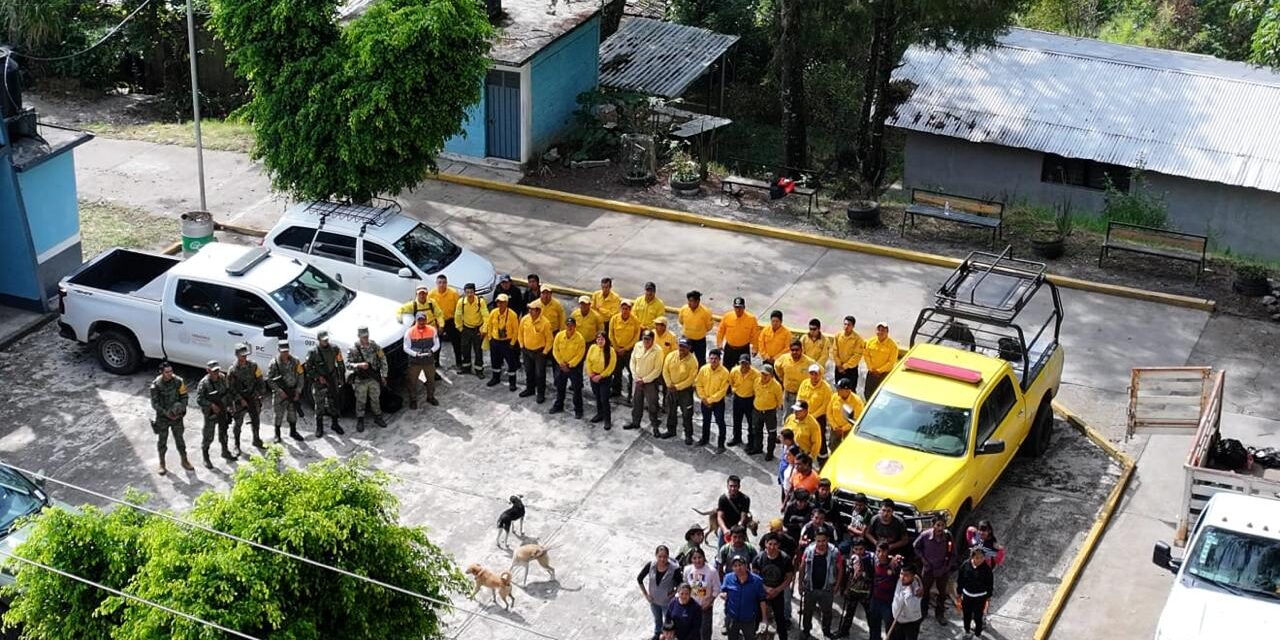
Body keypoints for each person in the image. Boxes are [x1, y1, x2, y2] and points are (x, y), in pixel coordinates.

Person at [150, 362, 193, 475]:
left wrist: (181, 409)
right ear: (161, 372)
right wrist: (166, 413)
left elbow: (184, 396)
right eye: (167, 372)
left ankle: (184, 460)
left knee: (180, 440)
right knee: (162, 441)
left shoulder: (178, 381)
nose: (170, 374)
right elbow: (155, 404)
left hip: (177, 417)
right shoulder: (156, 385)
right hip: (163, 418)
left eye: (171, 371)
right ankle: (162, 464)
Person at [800, 529, 843, 639]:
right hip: (810, 588)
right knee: (807, 611)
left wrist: (837, 585)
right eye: (818, 541)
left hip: (827, 589)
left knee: (827, 612)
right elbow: (802, 566)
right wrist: (800, 584)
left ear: (828, 540)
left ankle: (826, 631)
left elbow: (840, 569)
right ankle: (806, 631)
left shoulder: (835, 552)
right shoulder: (808, 550)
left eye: (823, 541)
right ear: (815, 540)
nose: (821, 544)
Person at [913, 516, 957, 624]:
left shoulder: (948, 537)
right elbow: (916, 546)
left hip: (942, 570)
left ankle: (940, 614)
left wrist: (947, 566)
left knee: (942, 593)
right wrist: (923, 560)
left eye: (942, 525)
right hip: (928, 570)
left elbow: (953, 554)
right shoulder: (925, 535)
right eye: (938, 525)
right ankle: (923, 612)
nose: (940, 528)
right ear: (933, 525)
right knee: (925, 592)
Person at [347, 326, 389, 432]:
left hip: (373, 377)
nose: (365, 339)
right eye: (363, 337)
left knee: (375, 398)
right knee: (361, 400)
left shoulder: (374, 346)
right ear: (358, 336)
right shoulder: (353, 349)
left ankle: (378, 417)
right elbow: (347, 365)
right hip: (360, 379)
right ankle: (360, 419)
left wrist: (384, 375)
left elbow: (383, 358)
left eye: (366, 336)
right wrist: (359, 365)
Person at [752, 535, 794, 640]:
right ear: (765, 544)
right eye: (770, 544)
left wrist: (777, 590)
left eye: (775, 544)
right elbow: (755, 577)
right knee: (757, 617)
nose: (772, 547)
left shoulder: (785, 559)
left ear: (779, 545)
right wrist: (766, 588)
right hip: (762, 593)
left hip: (778, 593)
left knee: (780, 619)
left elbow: (789, 578)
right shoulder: (759, 558)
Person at [195, 359, 235, 468]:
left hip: (223, 410)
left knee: (223, 432)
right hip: (211, 413)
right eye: (214, 371)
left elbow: (228, 392)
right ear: (208, 371)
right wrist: (211, 405)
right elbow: (199, 399)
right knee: (208, 435)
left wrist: (230, 406)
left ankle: (225, 451)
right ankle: (206, 456)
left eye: (217, 370)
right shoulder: (204, 383)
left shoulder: (222, 378)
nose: (216, 373)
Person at [303, 332, 344, 438]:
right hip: (319, 382)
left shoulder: (334, 348)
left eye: (326, 339)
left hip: (332, 378)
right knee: (319, 405)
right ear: (319, 340)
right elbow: (308, 368)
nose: (325, 341)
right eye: (323, 340)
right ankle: (319, 427)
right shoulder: (313, 352)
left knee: (333, 402)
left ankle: (335, 424)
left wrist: (340, 378)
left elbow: (340, 363)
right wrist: (318, 377)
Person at [228, 343, 268, 450]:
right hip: (240, 400)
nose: (244, 357)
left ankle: (256, 440)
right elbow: (230, 389)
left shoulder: (253, 365)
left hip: (253, 398)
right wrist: (240, 399)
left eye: (246, 355)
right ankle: (237, 445)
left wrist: (260, 394)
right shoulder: (232, 370)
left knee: (255, 420)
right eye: (242, 355)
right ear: (237, 355)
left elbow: (260, 380)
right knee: (238, 423)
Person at [638, 545, 681, 640]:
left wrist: (673, 593)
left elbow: (681, 584)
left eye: (665, 556)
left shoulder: (674, 569)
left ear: (668, 556)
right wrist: (646, 595)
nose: (662, 559)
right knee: (657, 620)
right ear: (656, 556)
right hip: (654, 601)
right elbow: (639, 578)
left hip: (667, 603)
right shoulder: (651, 565)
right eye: (660, 556)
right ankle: (657, 635)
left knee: (669, 622)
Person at [720, 555, 768, 640]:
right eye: (735, 566)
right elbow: (723, 590)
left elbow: (762, 600)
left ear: (746, 566)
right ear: (732, 568)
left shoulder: (757, 581)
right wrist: (723, 594)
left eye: (740, 565)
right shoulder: (728, 578)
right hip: (732, 618)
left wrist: (764, 619)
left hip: (749, 619)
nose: (738, 568)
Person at [836, 538, 875, 639]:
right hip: (853, 591)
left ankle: (874, 635)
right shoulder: (851, 558)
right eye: (856, 549)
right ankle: (844, 631)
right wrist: (846, 589)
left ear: (864, 548)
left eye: (861, 549)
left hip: (866, 592)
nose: (858, 551)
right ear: (853, 549)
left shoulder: (871, 557)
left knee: (870, 616)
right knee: (849, 613)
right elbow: (848, 575)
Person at [267, 340, 305, 442]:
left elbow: (301, 376)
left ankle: (293, 431)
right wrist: (279, 391)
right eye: (283, 351)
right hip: (280, 394)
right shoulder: (274, 363)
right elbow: (269, 380)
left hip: (292, 391)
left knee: (292, 413)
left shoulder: (296, 361)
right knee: (278, 414)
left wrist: (298, 391)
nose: (285, 354)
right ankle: (277, 434)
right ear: (279, 350)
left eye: (286, 351)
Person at [402, 312, 441, 409]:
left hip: (429, 360)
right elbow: (406, 347)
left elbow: (437, 344)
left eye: (423, 320)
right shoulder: (409, 332)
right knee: (412, 382)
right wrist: (415, 354)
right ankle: (413, 400)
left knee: (431, 380)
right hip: (415, 362)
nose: (421, 322)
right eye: (419, 320)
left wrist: (431, 351)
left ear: (426, 320)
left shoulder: (432, 330)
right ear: (416, 321)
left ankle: (430, 397)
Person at [628, 330, 665, 433]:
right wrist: (635, 376)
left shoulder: (658, 351)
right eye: (644, 338)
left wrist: (644, 380)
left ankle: (655, 426)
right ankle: (635, 422)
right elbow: (632, 361)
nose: (646, 341)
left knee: (652, 405)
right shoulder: (637, 346)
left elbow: (657, 370)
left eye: (648, 339)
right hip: (637, 380)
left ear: (653, 340)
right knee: (636, 403)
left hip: (650, 383)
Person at [484, 293, 521, 392]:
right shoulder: (493, 312)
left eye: (502, 302)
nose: (500, 304)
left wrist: (512, 343)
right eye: (498, 302)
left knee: (511, 363)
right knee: (495, 361)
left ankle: (512, 382)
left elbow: (516, 330)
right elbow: (489, 325)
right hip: (495, 342)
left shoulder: (512, 314)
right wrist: (490, 338)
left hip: (507, 342)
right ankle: (495, 378)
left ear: (506, 303)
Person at [518, 300, 554, 403]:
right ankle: (530, 389)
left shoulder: (545, 323)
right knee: (529, 371)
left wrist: (545, 352)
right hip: (526, 351)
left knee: (540, 374)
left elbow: (549, 339)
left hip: (539, 352)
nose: (530, 311)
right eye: (529, 309)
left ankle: (541, 394)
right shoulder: (525, 319)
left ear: (538, 311)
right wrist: (521, 346)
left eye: (532, 310)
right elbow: (520, 333)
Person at [695, 349, 731, 452]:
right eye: (711, 358)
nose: (713, 360)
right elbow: (699, 384)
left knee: (720, 422)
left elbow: (722, 391)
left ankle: (721, 445)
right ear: (708, 359)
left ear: (719, 360)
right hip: (705, 401)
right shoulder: (703, 369)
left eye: (716, 359)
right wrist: (703, 398)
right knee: (706, 421)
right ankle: (704, 439)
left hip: (718, 402)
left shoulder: (725, 372)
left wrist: (710, 400)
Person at [664, 338, 699, 442]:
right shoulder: (671, 356)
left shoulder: (693, 361)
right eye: (680, 346)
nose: (681, 348)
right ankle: (671, 431)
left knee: (687, 414)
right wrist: (669, 384)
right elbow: (665, 370)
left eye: (684, 346)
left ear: (689, 348)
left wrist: (677, 387)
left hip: (685, 392)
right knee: (671, 411)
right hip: (671, 389)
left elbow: (691, 379)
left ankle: (688, 435)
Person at [551, 316, 586, 418]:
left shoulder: (580, 338)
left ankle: (578, 410)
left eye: (572, 325)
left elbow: (580, 354)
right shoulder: (559, 336)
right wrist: (561, 363)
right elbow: (555, 350)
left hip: (574, 368)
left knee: (577, 389)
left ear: (575, 326)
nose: (569, 327)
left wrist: (570, 364)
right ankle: (559, 406)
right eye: (568, 325)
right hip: (561, 366)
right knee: (560, 387)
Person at [683, 547, 721, 640]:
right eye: (694, 558)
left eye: (699, 557)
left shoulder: (711, 571)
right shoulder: (687, 569)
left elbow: (717, 588)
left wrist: (710, 601)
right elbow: (685, 585)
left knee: (705, 632)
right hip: (690, 606)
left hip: (705, 608)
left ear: (704, 557)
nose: (697, 560)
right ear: (691, 559)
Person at [797, 364, 834, 458]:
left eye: (816, 374)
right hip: (803, 415)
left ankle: (822, 458)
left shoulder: (826, 388)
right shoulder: (804, 383)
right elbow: (799, 398)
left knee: (819, 438)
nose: (814, 376)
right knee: (804, 437)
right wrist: (801, 412)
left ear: (820, 374)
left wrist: (812, 416)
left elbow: (825, 406)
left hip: (818, 418)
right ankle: (805, 457)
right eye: (811, 374)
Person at [609, 300, 643, 402]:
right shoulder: (614, 319)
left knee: (631, 372)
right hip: (617, 349)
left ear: (630, 309)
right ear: (620, 309)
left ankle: (630, 394)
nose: (625, 311)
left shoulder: (635, 321)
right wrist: (616, 347)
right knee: (616, 371)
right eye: (623, 308)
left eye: (627, 309)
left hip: (629, 351)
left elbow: (636, 337)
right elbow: (611, 334)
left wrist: (626, 348)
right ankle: (616, 390)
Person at [957, 547, 994, 638]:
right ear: (972, 557)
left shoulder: (987, 569)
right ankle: (967, 631)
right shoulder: (965, 565)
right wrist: (959, 592)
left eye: (982, 557)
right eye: (977, 558)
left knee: (978, 617)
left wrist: (988, 596)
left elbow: (990, 584)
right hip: (967, 596)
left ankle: (978, 634)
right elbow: (960, 579)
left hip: (980, 597)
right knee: (966, 615)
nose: (980, 560)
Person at [455, 283, 489, 377]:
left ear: (474, 292)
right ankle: (466, 368)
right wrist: (460, 328)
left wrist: (484, 329)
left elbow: (486, 316)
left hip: (477, 329)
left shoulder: (480, 301)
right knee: (465, 349)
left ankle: (479, 370)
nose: (469, 294)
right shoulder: (461, 302)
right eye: (467, 292)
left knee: (478, 350)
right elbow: (457, 316)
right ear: (465, 293)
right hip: (466, 328)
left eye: (471, 292)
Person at [428, 275, 462, 371]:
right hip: (438, 322)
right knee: (436, 343)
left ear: (447, 283)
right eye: (440, 282)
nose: (442, 285)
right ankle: (436, 363)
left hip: (451, 321)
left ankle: (459, 362)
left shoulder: (453, 293)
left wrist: (458, 322)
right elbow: (430, 309)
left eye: (444, 282)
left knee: (456, 343)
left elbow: (458, 309)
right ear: (436, 283)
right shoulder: (431, 294)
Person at [867, 543, 901, 640]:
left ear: (888, 551)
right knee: (874, 627)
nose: (881, 554)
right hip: (875, 600)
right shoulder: (873, 561)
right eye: (878, 551)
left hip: (888, 602)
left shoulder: (894, 565)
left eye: (884, 551)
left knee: (890, 629)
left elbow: (908, 573)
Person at [775, 341, 816, 415]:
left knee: (801, 415)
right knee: (787, 415)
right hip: (788, 393)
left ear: (801, 350)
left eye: (797, 350)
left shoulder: (809, 362)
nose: (794, 352)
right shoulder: (784, 358)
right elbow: (776, 366)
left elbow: (819, 372)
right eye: (792, 350)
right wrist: (782, 377)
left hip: (803, 395)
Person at [716, 297, 757, 371]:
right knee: (726, 370)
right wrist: (719, 344)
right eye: (736, 307)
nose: (738, 310)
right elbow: (721, 331)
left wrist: (755, 348)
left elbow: (755, 335)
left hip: (743, 349)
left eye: (740, 307)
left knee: (745, 370)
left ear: (744, 307)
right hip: (729, 349)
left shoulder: (751, 319)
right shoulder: (727, 316)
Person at [585, 332, 616, 429]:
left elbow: (611, 367)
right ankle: (599, 414)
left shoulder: (611, 351)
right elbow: (588, 361)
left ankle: (607, 420)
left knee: (604, 399)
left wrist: (601, 376)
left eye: (602, 339)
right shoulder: (592, 348)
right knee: (597, 397)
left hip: (604, 379)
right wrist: (590, 374)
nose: (600, 341)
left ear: (606, 340)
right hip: (593, 377)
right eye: (598, 339)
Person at [753, 364, 784, 459]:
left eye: (766, 374)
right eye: (762, 374)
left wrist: (777, 410)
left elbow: (780, 400)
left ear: (771, 375)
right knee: (757, 430)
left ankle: (770, 452)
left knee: (771, 434)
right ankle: (758, 448)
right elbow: (755, 392)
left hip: (770, 413)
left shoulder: (776, 386)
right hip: (757, 410)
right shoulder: (757, 381)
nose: (763, 376)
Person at [863, 322, 899, 400]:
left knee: (881, 395)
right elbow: (866, 355)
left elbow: (891, 362)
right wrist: (871, 368)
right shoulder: (870, 342)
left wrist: (879, 371)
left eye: (883, 330)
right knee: (868, 393)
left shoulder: (893, 346)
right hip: (871, 373)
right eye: (878, 330)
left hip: (884, 374)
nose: (880, 332)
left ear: (887, 332)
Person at [678, 290, 714, 366]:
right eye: (688, 301)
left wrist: (698, 332)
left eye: (691, 301)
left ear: (697, 301)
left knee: (701, 360)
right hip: (686, 339)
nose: (689, 303)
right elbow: (681, 321)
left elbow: (709, 326)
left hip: (699, 341)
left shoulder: (706, 312)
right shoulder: (684, 309)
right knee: (683, 358)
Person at [827, 379, 864, 453]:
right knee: (833, 448)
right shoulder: (835, 396)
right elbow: (829, 412)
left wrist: (843, 429)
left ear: (847, 390)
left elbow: (856, 419)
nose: (837, 390)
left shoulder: (857, 401)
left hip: (849, 431)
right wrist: (835, 426)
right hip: (835, 429)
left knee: (848, 451)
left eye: (839, 389)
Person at [889, 563, 924, 640]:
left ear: (912, 576)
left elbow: (912, 607)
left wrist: (908, 594)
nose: (902, 577)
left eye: (906, 575)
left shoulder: (916, 589)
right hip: (898, 620)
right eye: (901, 574)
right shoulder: (900, 580)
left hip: (910, 622)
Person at [727, 355, 756, 448]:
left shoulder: (756, 374)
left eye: (746, 363)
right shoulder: (734, 370)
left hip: (750, 400)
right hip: (738, 399)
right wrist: (734, 389)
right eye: (742, 363)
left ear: (750, 364)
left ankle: (751, 442)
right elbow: (731, 382)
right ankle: (736, 438)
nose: (744, 365)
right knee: (736, 420)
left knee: (751, 422)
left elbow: (758, 387)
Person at [716, 475, 752, 546]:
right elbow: (719, 517)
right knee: (721, 554)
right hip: (726, 530)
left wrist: (739, 526)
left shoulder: (745, 499)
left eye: (735, 486)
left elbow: (743, 515)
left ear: (739, 487)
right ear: (727, 486)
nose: (733, 488)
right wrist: (724, 529)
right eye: (731, 486)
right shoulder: (723, 499)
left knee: (748, 552)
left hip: (739, 530)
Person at [833, 316, 865, 392]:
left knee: (850, 390)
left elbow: (857, 356)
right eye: (845, 324)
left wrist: (845, 366)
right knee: (839, 388)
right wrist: (839, 365)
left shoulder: (858, 339)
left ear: (853, 326)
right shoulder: (838, 336)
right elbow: (834, 351)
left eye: (849, 325)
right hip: (838, 368)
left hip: (851, 370)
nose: (846, 327)